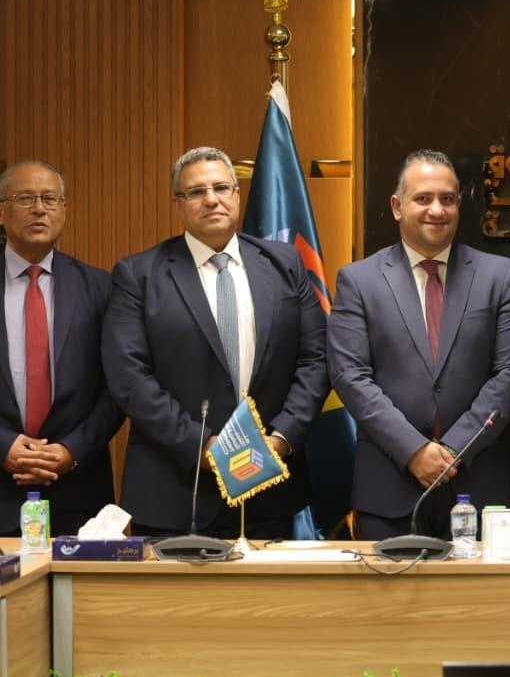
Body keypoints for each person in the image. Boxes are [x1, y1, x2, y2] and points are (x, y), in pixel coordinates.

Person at [103, 147, 328, 538]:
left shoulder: (285, 263)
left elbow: (316, 359)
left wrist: (281, 438)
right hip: (175, 491)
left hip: (268, 490)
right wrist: (202, 446)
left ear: (237, 195)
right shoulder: (138, 275)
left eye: (221, 188)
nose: (211, 199)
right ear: (178, 204)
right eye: (196, 192)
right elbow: (130, 378)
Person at [328, 149, 510, 539]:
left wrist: (453, 449)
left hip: (478, 482)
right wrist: (413, 450)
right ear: (397, 206)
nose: (436, 210)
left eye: (447, 199)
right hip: (389, 486)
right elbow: (349, 376)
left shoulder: (500, 276)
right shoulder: (358, 281)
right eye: (423, 198)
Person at [0, 161, 121, 536]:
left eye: (49, 199)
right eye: (25, 198)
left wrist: (72, 450)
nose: (39, 209)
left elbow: (118, 387)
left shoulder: (101, 287)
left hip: (77, 490)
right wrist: (3, 446)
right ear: (2, 212)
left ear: (64, 210)